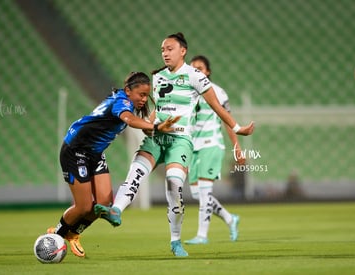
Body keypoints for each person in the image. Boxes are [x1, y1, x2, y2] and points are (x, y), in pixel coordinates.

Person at [95, 32, 254, 257]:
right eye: (162, 50)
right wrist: (148, 126)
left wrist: (238, 129)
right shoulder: (158, 77)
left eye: (169, 49)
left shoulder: (195, 76)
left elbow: (218, 107)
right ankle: (116, 210)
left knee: (174, 187)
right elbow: (158, 109)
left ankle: (176, 240)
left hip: (181, 140)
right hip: (158, 136)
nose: (165, 53)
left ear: (183, 51)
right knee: (136, 171)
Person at [46, 72, 180, 257]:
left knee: (104, 204)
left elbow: (141, 123)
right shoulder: (121, 102)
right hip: (75, 150)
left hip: (95, 154)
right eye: (140, 95)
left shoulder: (129, 104)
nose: (143, 99)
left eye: (146, 95)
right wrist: (156, 127)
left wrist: (159, 126)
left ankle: (74, 234)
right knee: (84, 207)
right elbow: (130, 120)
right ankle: (56, 237)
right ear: (128, 91)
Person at [184, 55, 245, 245]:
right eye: (193, 68)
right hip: (193, 147)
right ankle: (229, 218)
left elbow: (228, 121)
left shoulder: (217, 92)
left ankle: (202, 235)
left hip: (211, 144)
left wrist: (237, 147)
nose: (196, 71)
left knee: (204, 192)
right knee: (197, 194)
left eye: (200, 68)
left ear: (207, 71)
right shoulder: (187, 93)